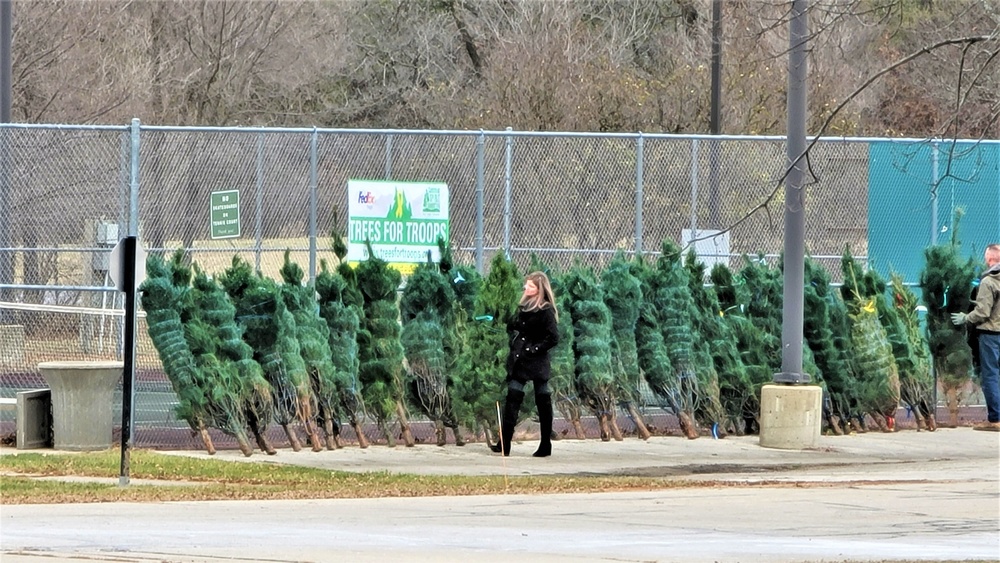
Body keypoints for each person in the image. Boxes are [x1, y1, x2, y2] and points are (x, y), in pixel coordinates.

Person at [490, 271, 560, 456]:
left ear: (539, 289)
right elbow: (516, 326)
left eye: (531, 286)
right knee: (512, 399)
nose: (526, 288)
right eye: (526, 284)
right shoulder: (524, 306)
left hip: (536, 361)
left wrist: (534, 349)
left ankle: (546, 444)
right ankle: (504, 444)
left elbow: (553, 338)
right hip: (520, 360)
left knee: (543, 400)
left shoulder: (545, 311)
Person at [952, 244, 1000, 432]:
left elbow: (982, 312)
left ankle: (995, 418)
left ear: (989, 260)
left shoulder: (989, 282)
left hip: (990, 334)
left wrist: (966, 318)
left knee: (991, 375)